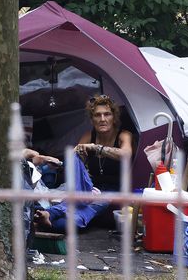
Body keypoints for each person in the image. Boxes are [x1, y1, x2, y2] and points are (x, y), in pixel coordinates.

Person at [34, 94, 133, 232]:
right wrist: (74, 156)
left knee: (86, 209)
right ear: (92, 119)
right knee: (77, 198)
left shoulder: (123, 135)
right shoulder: (88, 135)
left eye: (107, 114)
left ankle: (51, 216)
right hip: (90, 187)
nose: (102, 119)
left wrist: (95, 148)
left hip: (113, 190)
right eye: (98, 115)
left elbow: (126, 155)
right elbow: (78, 167)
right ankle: (49, 216)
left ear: (114, 117)